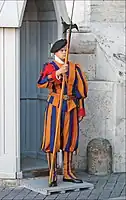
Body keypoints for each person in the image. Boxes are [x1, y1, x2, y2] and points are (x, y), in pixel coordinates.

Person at [37, 39, 88, 187]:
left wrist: (81, 109)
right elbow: (41, 82)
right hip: (55, 106)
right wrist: (57, 74)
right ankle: (52, 173)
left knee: (69, 139)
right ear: (55, 52)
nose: (65, 52)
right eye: (62, 50)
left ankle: (67, 172)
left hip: (71, 106)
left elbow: (80, 92)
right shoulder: (50, 66)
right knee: (52, 138)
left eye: (66, 50)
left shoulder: (74, 68)